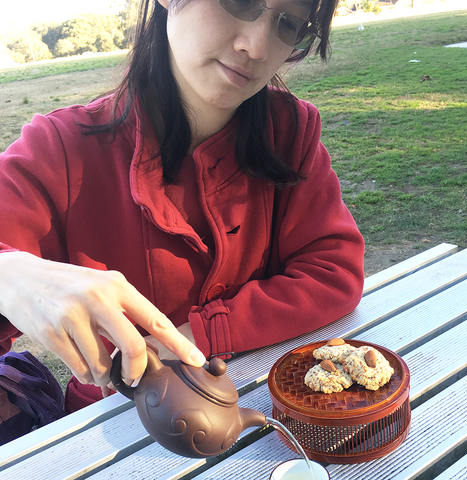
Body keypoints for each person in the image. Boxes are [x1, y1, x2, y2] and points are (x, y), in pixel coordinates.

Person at [0, 0, 364, 414]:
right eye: (241, 2)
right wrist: (9, 274)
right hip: (111, 425)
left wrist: (201, 332)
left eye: (289, 24)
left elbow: (335, 270)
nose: (259, 47)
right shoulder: (58, 150)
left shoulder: (290, 131)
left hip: (267, 406)